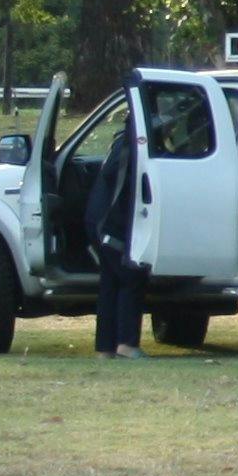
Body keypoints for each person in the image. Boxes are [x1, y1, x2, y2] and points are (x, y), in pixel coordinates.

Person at [89, 102, 146, 358]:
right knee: (130, 278)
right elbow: (118, 177)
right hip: (111, 224)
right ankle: (126, 344)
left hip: (99, 221)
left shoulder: (120, 143)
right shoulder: (130, 147)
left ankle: (105, 348)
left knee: (110, 283)